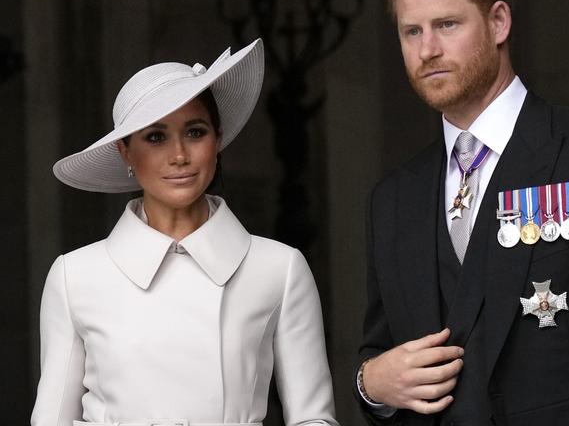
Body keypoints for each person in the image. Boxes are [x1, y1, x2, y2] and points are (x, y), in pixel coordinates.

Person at [355, 0, 569, 425]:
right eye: (412, 31)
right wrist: (370, 386)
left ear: (498, 22)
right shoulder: (392, 200)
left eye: (447, 25)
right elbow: (381, 356)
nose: (428, 49)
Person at [31, 39, 339, 426]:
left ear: (218, 139)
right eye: (156, 137)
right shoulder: (74, 276)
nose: (179, 155)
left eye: (195, 132)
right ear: (125, 152)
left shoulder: (279, 268)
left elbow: (314, 419)